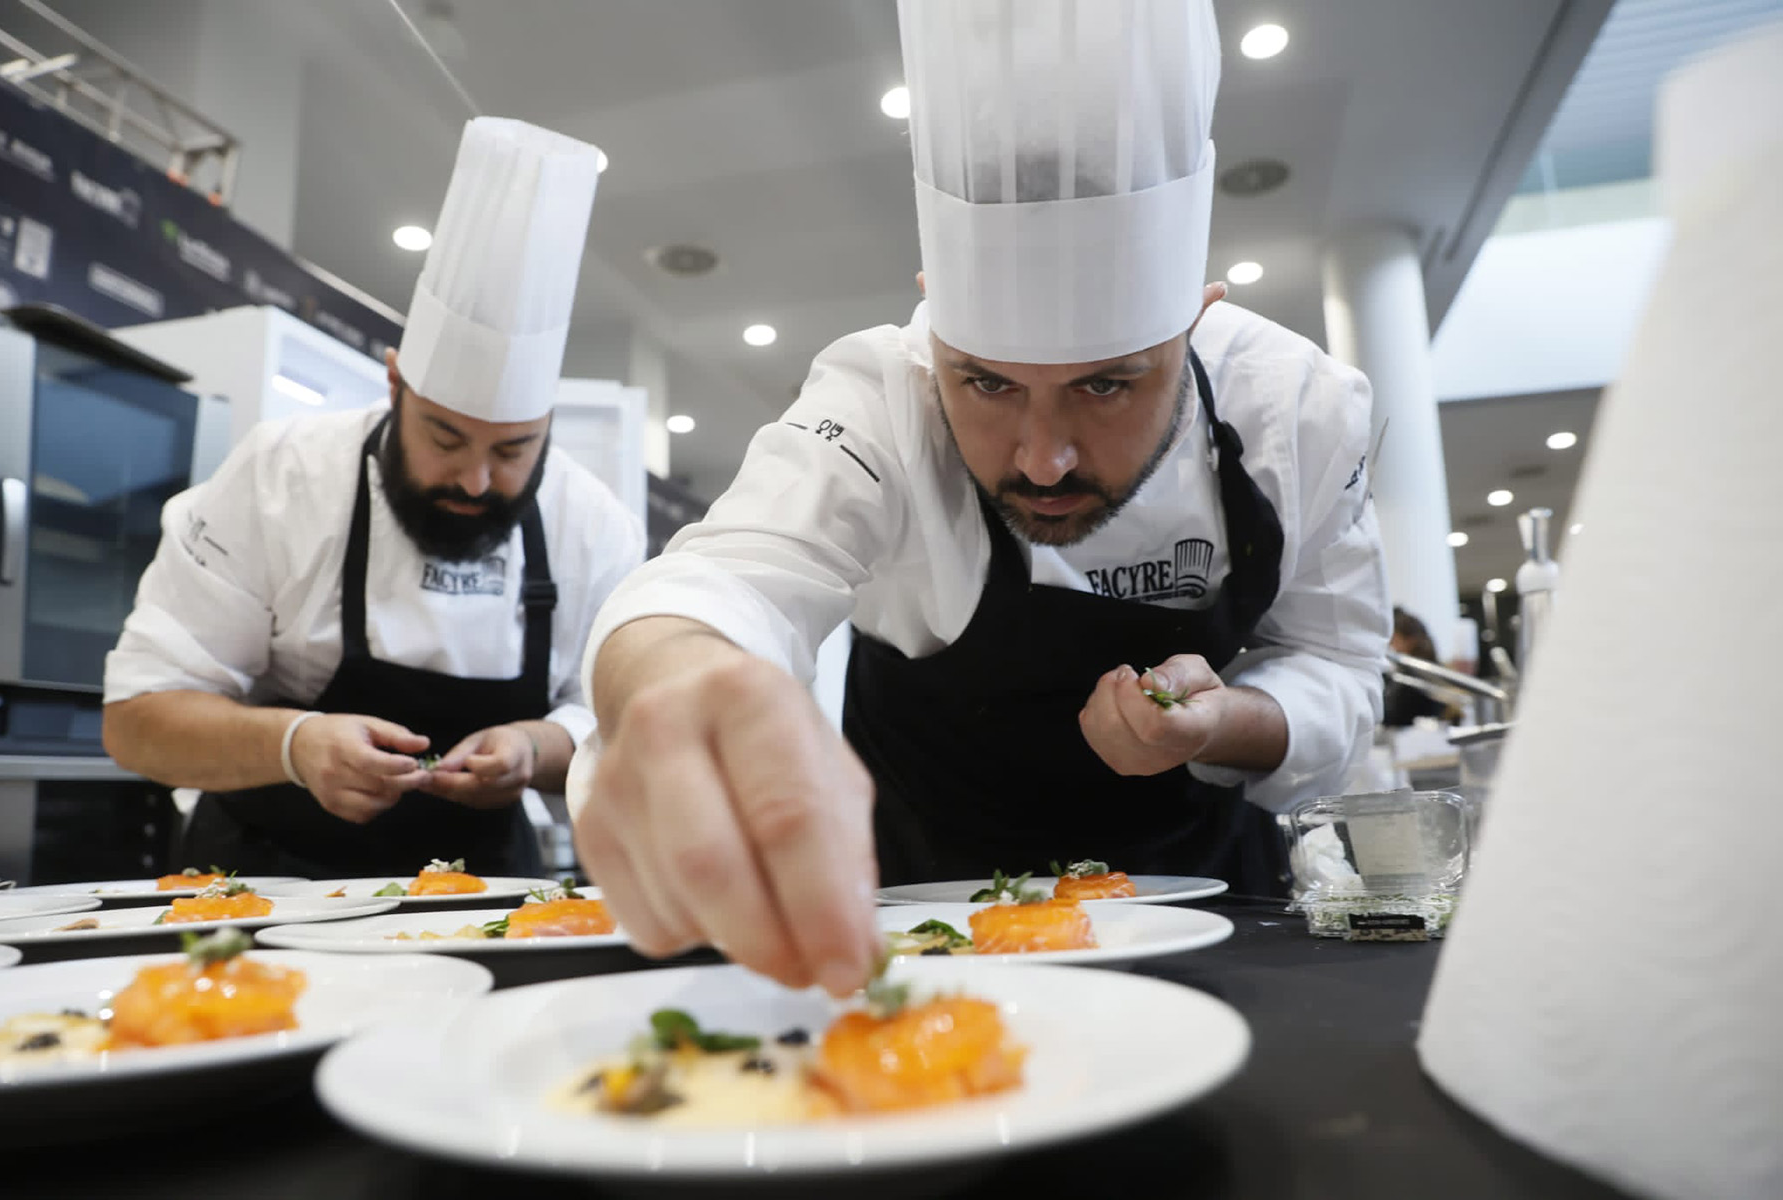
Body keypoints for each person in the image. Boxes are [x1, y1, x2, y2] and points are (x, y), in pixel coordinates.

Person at [572, 0, 1390, 996]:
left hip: (1211, 915)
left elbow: (1339, 668)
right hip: (927, 933)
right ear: (934, 315)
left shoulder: (1294, 411)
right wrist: (674, 690)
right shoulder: (880, 393)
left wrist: (1224, 724)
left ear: (1196, 320)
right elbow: (723, 581)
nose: (1042, 460)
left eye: (1106, 385)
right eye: (988, 384)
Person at [101, 117, 644, 878]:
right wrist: (293, 745)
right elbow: (137, 722)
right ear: (394, 384)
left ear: (548, 424)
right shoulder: (284, 477)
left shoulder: (592, 526)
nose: (477, 481)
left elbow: (626, 723)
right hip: (262, 890)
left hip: (484, 901)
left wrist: (534, 748)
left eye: (514, 449)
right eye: (446, 439)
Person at [1383, 607, 1455, 727]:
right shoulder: (1414, 671)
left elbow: (1394, 715)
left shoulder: (1417, 675)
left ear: (1410, 640)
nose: (1391, 645)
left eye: (1394, 639)